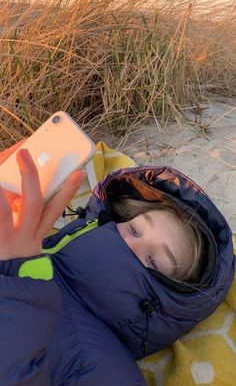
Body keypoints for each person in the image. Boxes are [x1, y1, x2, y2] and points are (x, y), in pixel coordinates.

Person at [0, 140, 234, 385]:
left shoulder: (108, 371)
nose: (132, 245)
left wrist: (13, 282)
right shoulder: (27, 249)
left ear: (164, 304)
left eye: (153, 260)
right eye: (133, 229)